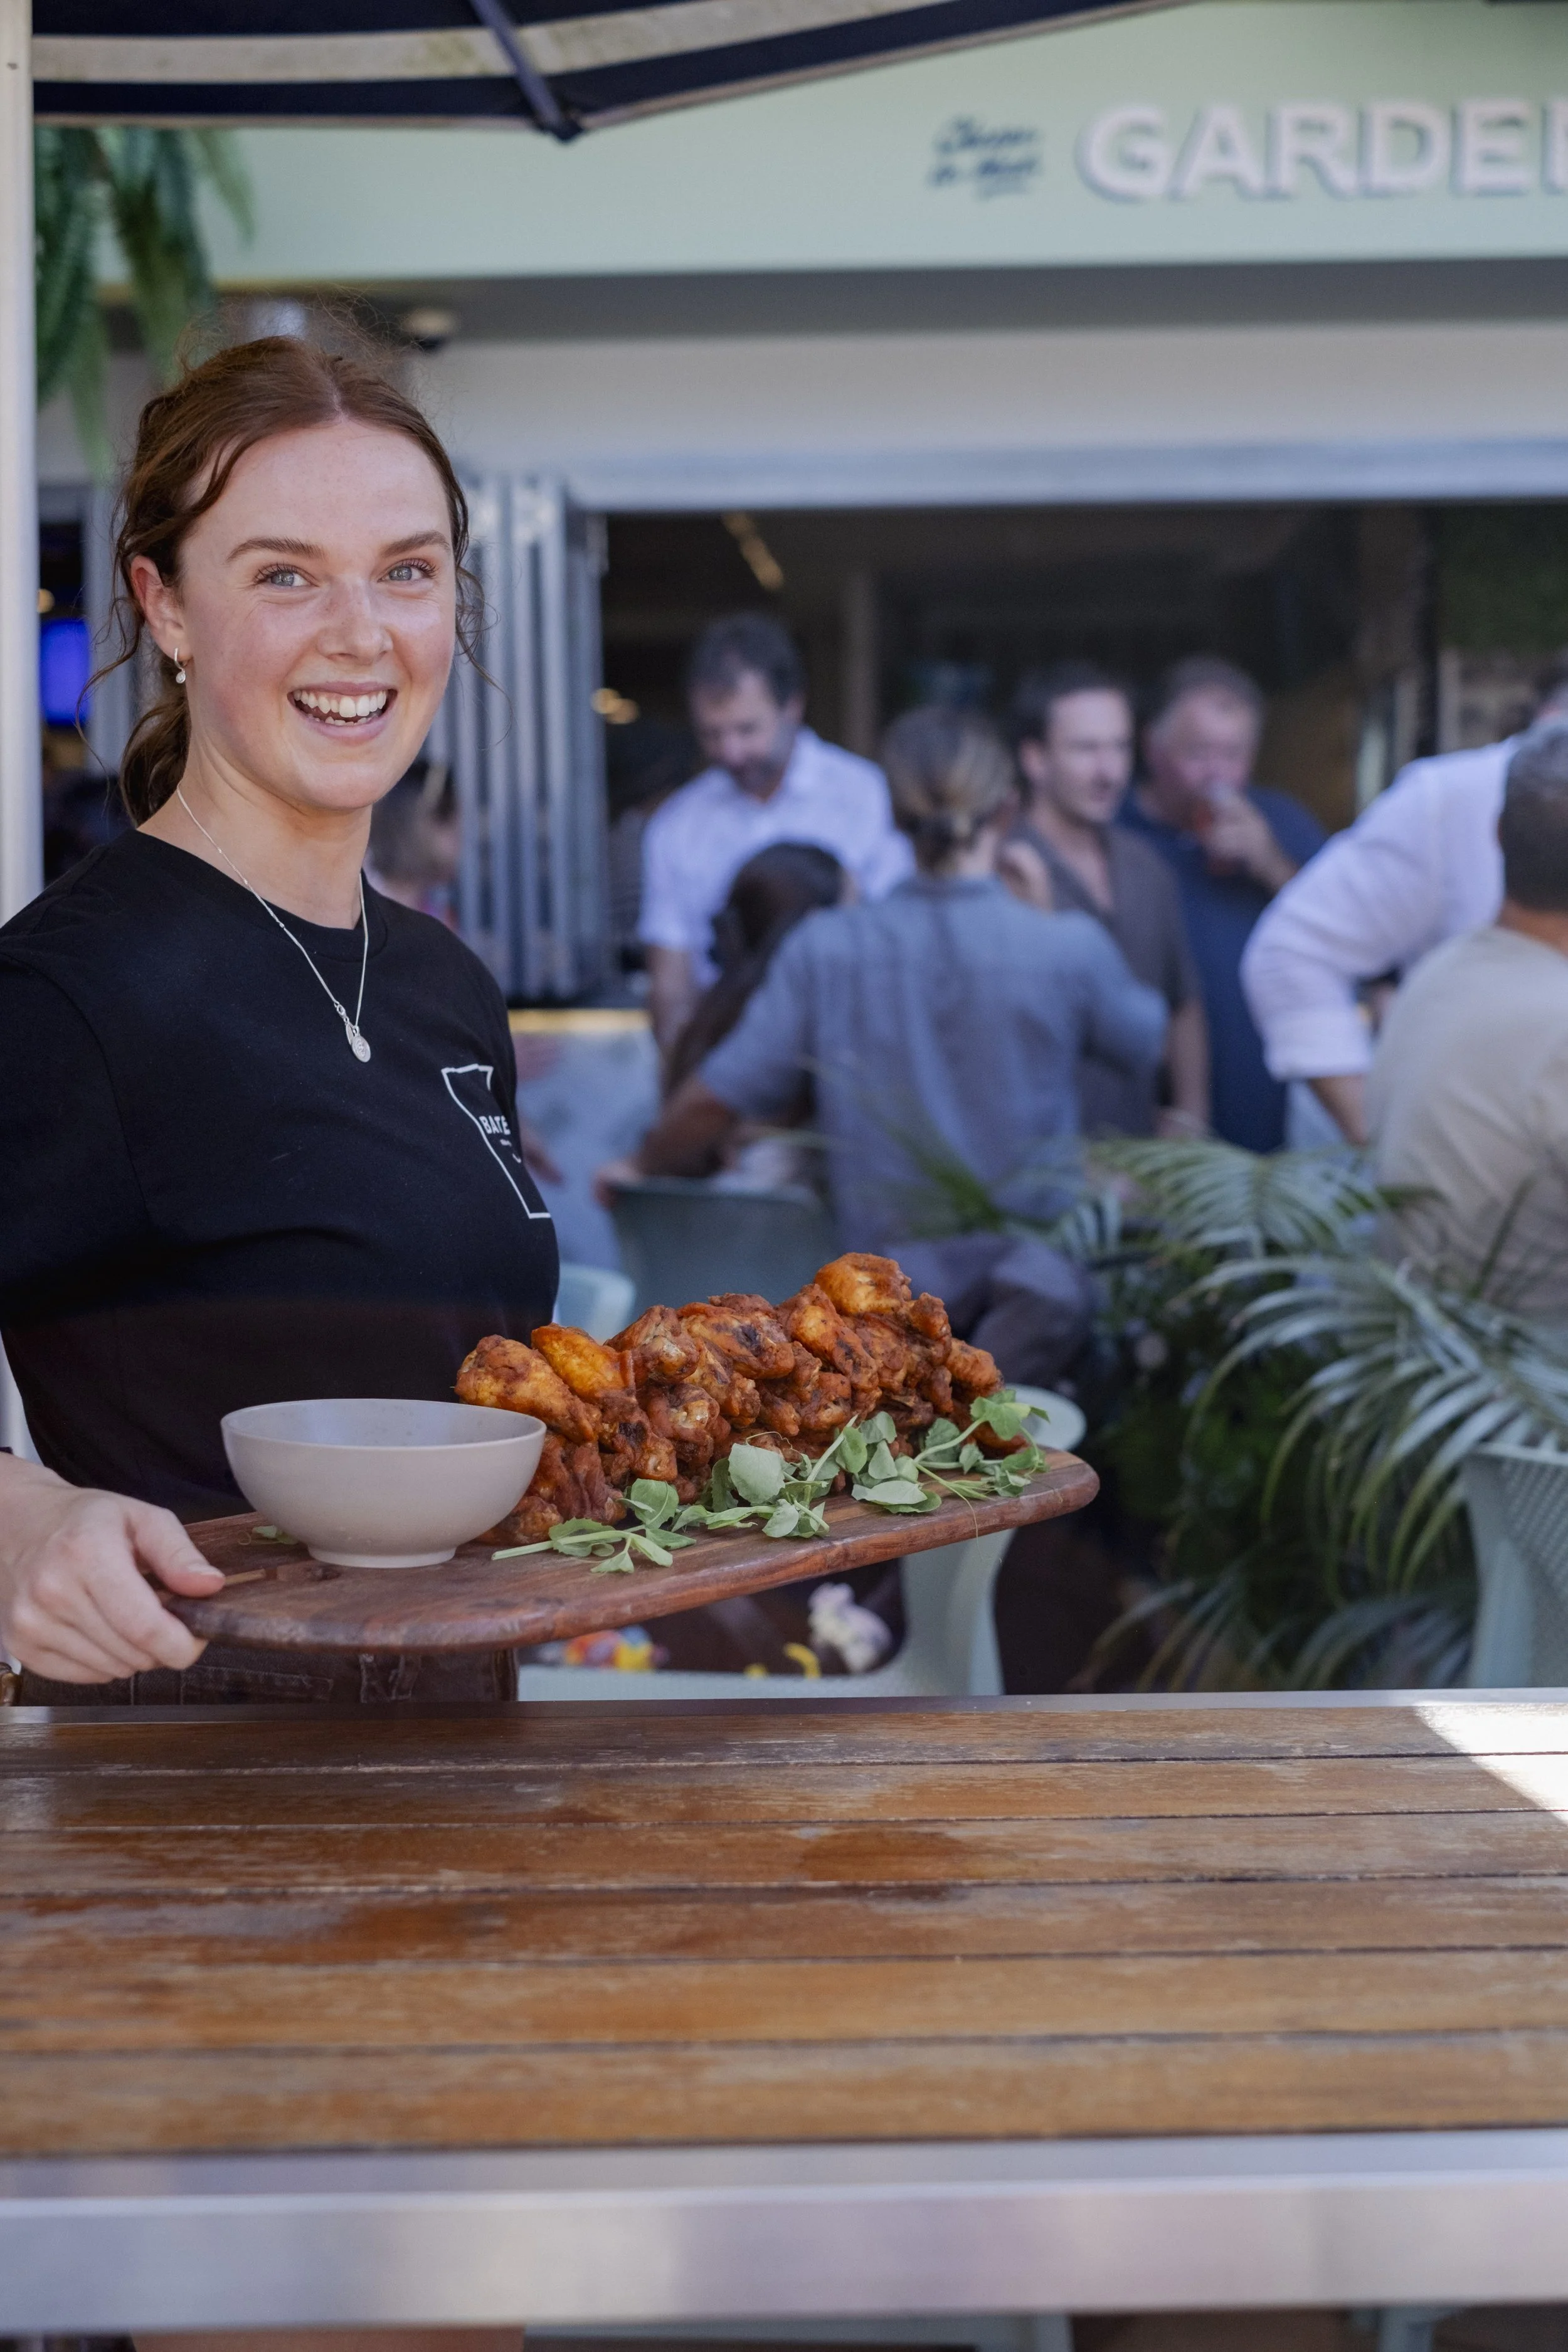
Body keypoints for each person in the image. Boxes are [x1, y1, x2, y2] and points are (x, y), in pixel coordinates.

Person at [0, 336, 558, 1711]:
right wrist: (17, 1527)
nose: (361, 634)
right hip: (193, 1820)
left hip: (460, 1775)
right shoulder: (73, 992)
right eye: (284, 574)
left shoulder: (441, 985)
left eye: (407, 571)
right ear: (167, 606)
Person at [603, 706, 1167, 1385]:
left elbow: (720, 1095)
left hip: (881, 1319)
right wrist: (1046, 920)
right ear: (1007, 810)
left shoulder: (829, 948)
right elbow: (1145, 1042)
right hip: (1035, 1313)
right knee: (1033, 1479)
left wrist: (640, 1162)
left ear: (895, 817)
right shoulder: (1063, 947)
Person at [1243, 671, 1568, 1145]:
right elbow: (1291, 952)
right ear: (1546, 728)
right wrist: (1379, 1143)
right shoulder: (1454, 801)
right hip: (1474, 1169)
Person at [638, 612, 912, 1056]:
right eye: (712, 734)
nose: (731, 752)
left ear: (793, 707)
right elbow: (671, 984)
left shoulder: (866, 796)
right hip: (726, 1059)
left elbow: (897, 941)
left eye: (747, 730)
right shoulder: (677, 824)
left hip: (851, 1054)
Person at [1368, 723, 1568, 1320]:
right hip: (1530, 1395)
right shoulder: (1556, 1021)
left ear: (1499, 835)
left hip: (1431, 1380)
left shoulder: (1437, 976)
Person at [1117, 655, 1324, 1154]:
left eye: (1234, 755)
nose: (1218, 774)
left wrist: (1271, 863)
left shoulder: (1281, 821)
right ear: (1152, 747)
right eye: (1199, 753)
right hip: (1148, 1118)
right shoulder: (1116, 831)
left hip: (1270, 1112)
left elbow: (1351, 931)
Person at [1000, 657, 1209, 1138]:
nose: (1109, 771)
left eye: (1118, 748)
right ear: (1035, 759)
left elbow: (1184, 1001)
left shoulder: (1147, 868)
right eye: (1086, 749)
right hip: (1037, 1162)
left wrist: (1192, 1116)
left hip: (1141, 1161)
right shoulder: (1000, 868)